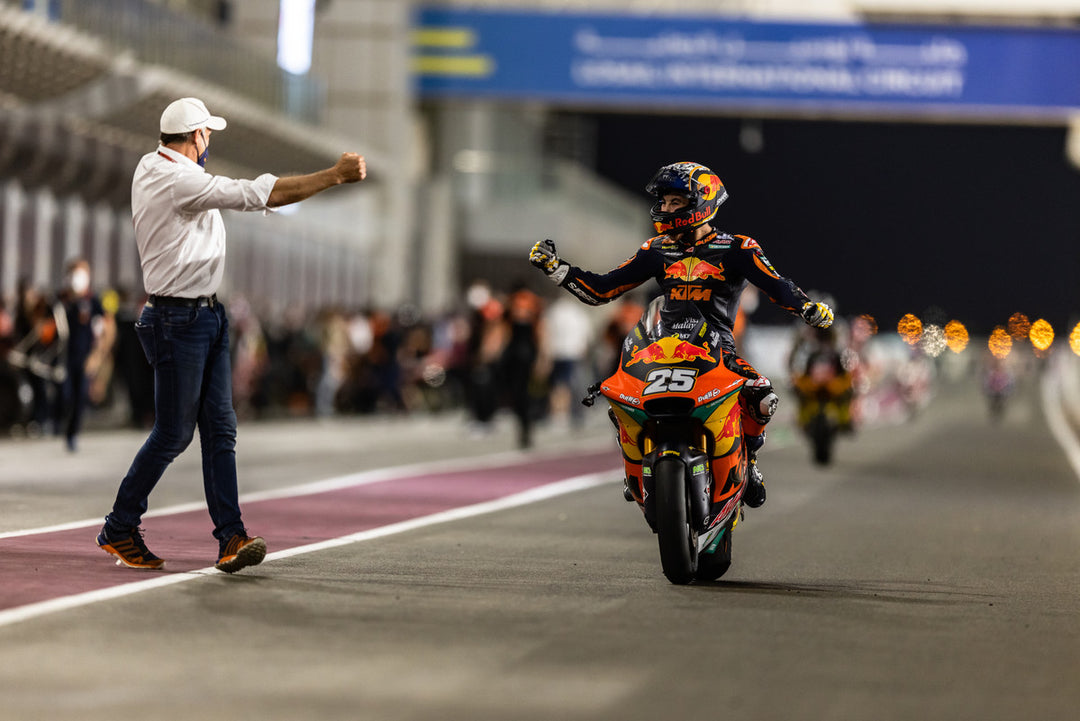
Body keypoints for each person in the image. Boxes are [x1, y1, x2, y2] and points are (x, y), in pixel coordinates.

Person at [96, 97, 366, 573]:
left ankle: (231, 538)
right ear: (196, 136)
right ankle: (120, 526)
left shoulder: (151, 164)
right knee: (174, 433)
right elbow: (263, 194)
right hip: (179, 321)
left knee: (219, 428)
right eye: (208, 135)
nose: (210, 144)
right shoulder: (180, 179)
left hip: (203, 316)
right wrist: (333, 175)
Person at [530, 161, 833, 509]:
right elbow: (602, 290)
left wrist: (807, 308)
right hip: (659, 347)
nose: (666, 209)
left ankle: (750, 461)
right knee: (620, 400)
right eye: (664, 202)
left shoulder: (739, 248)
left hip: (718, 349)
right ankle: (638, 466)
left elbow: (777, 286)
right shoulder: (656, 249)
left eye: (676, 202)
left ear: (702, 202)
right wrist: (556, 269)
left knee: (763, 397)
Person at [56, 258, 106, 452]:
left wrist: (97, 356)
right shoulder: (61, 300)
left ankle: (72, 434)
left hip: (84, 357)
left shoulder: (92, 301)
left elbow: (102, 329)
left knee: (79, 396)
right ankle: (58, 422)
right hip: (63, 357)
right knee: (64, 393)